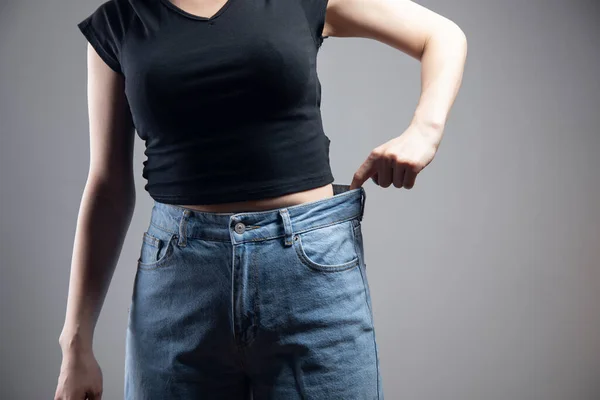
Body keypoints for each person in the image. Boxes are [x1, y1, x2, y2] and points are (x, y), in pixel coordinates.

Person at [54, 0, 467, 398]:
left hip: (311, 275)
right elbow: (107, 185)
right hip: (180, 284)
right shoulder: (119, 21)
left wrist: (424, 131)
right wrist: (75, 342)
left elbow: (441, 35)